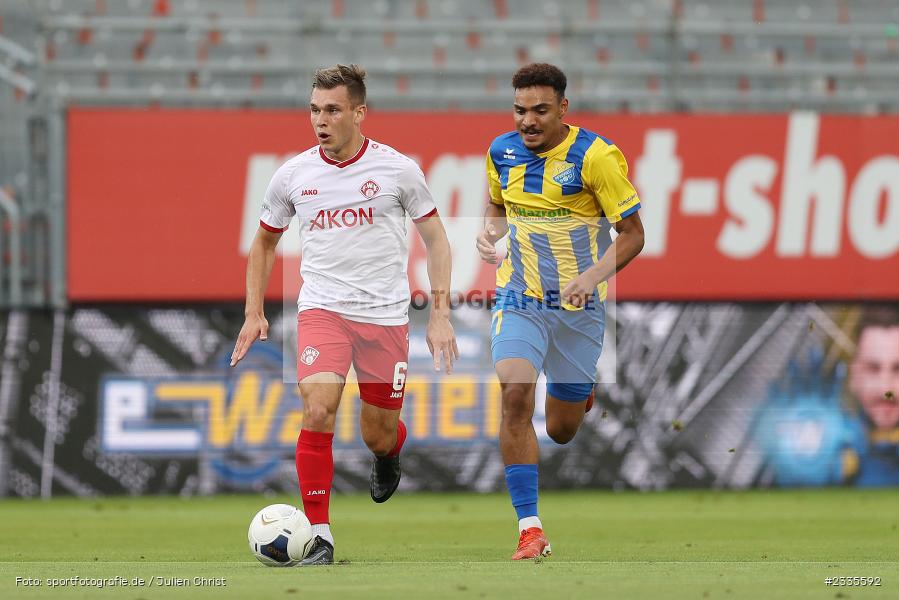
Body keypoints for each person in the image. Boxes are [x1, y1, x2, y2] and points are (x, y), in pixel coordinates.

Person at [231, 64, 458, 565]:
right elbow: (265, 243)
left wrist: (439, 312)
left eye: (332, 110)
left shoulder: (398, 170)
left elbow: (438, 240)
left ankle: (389, 450)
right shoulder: (293, 175)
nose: (320, 120)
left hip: (384, 316)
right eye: (314, 109)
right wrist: (254, 311)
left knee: (376, 432)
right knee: (317, 409)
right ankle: (319, 536)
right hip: (322, 310)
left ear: (359, 113)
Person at [476, 63, 645, 560]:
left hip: (579, 308)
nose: (528, 121)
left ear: (563, 109)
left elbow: (633, 235)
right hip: (520, 296)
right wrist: (490, 233)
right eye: (520, 110)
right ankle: (530, 528)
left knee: (561, 430)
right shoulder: (500, 151)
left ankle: (580, 393)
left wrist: (591, 277)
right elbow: (496, 204)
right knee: (514, 396)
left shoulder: (596, 157)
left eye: (540, 110)